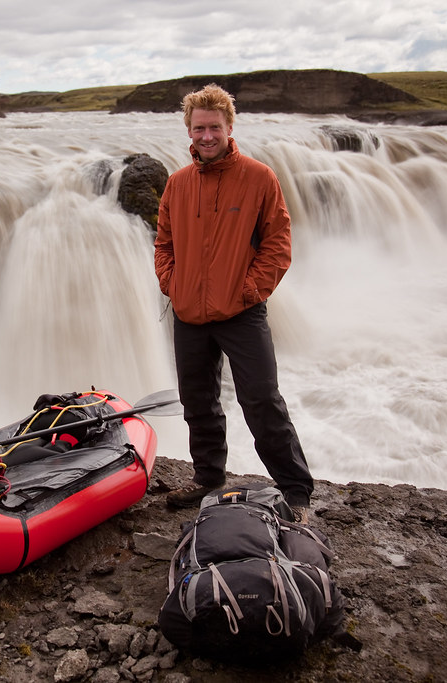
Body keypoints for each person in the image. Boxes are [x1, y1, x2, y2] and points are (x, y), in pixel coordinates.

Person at [153, 83, 313, 523]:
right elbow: (163, 243)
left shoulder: (259, 178)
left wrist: (248, 292)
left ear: (229, 127)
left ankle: (296, 491)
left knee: (262, 400)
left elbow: (278, 244)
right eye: (199, 128)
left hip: (241, 313)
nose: (207, 136)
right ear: (189, 129)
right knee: (198, 401)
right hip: (189, 313)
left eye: (215, 128)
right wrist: (172, 283)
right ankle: (208, 477)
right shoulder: (177, 184)